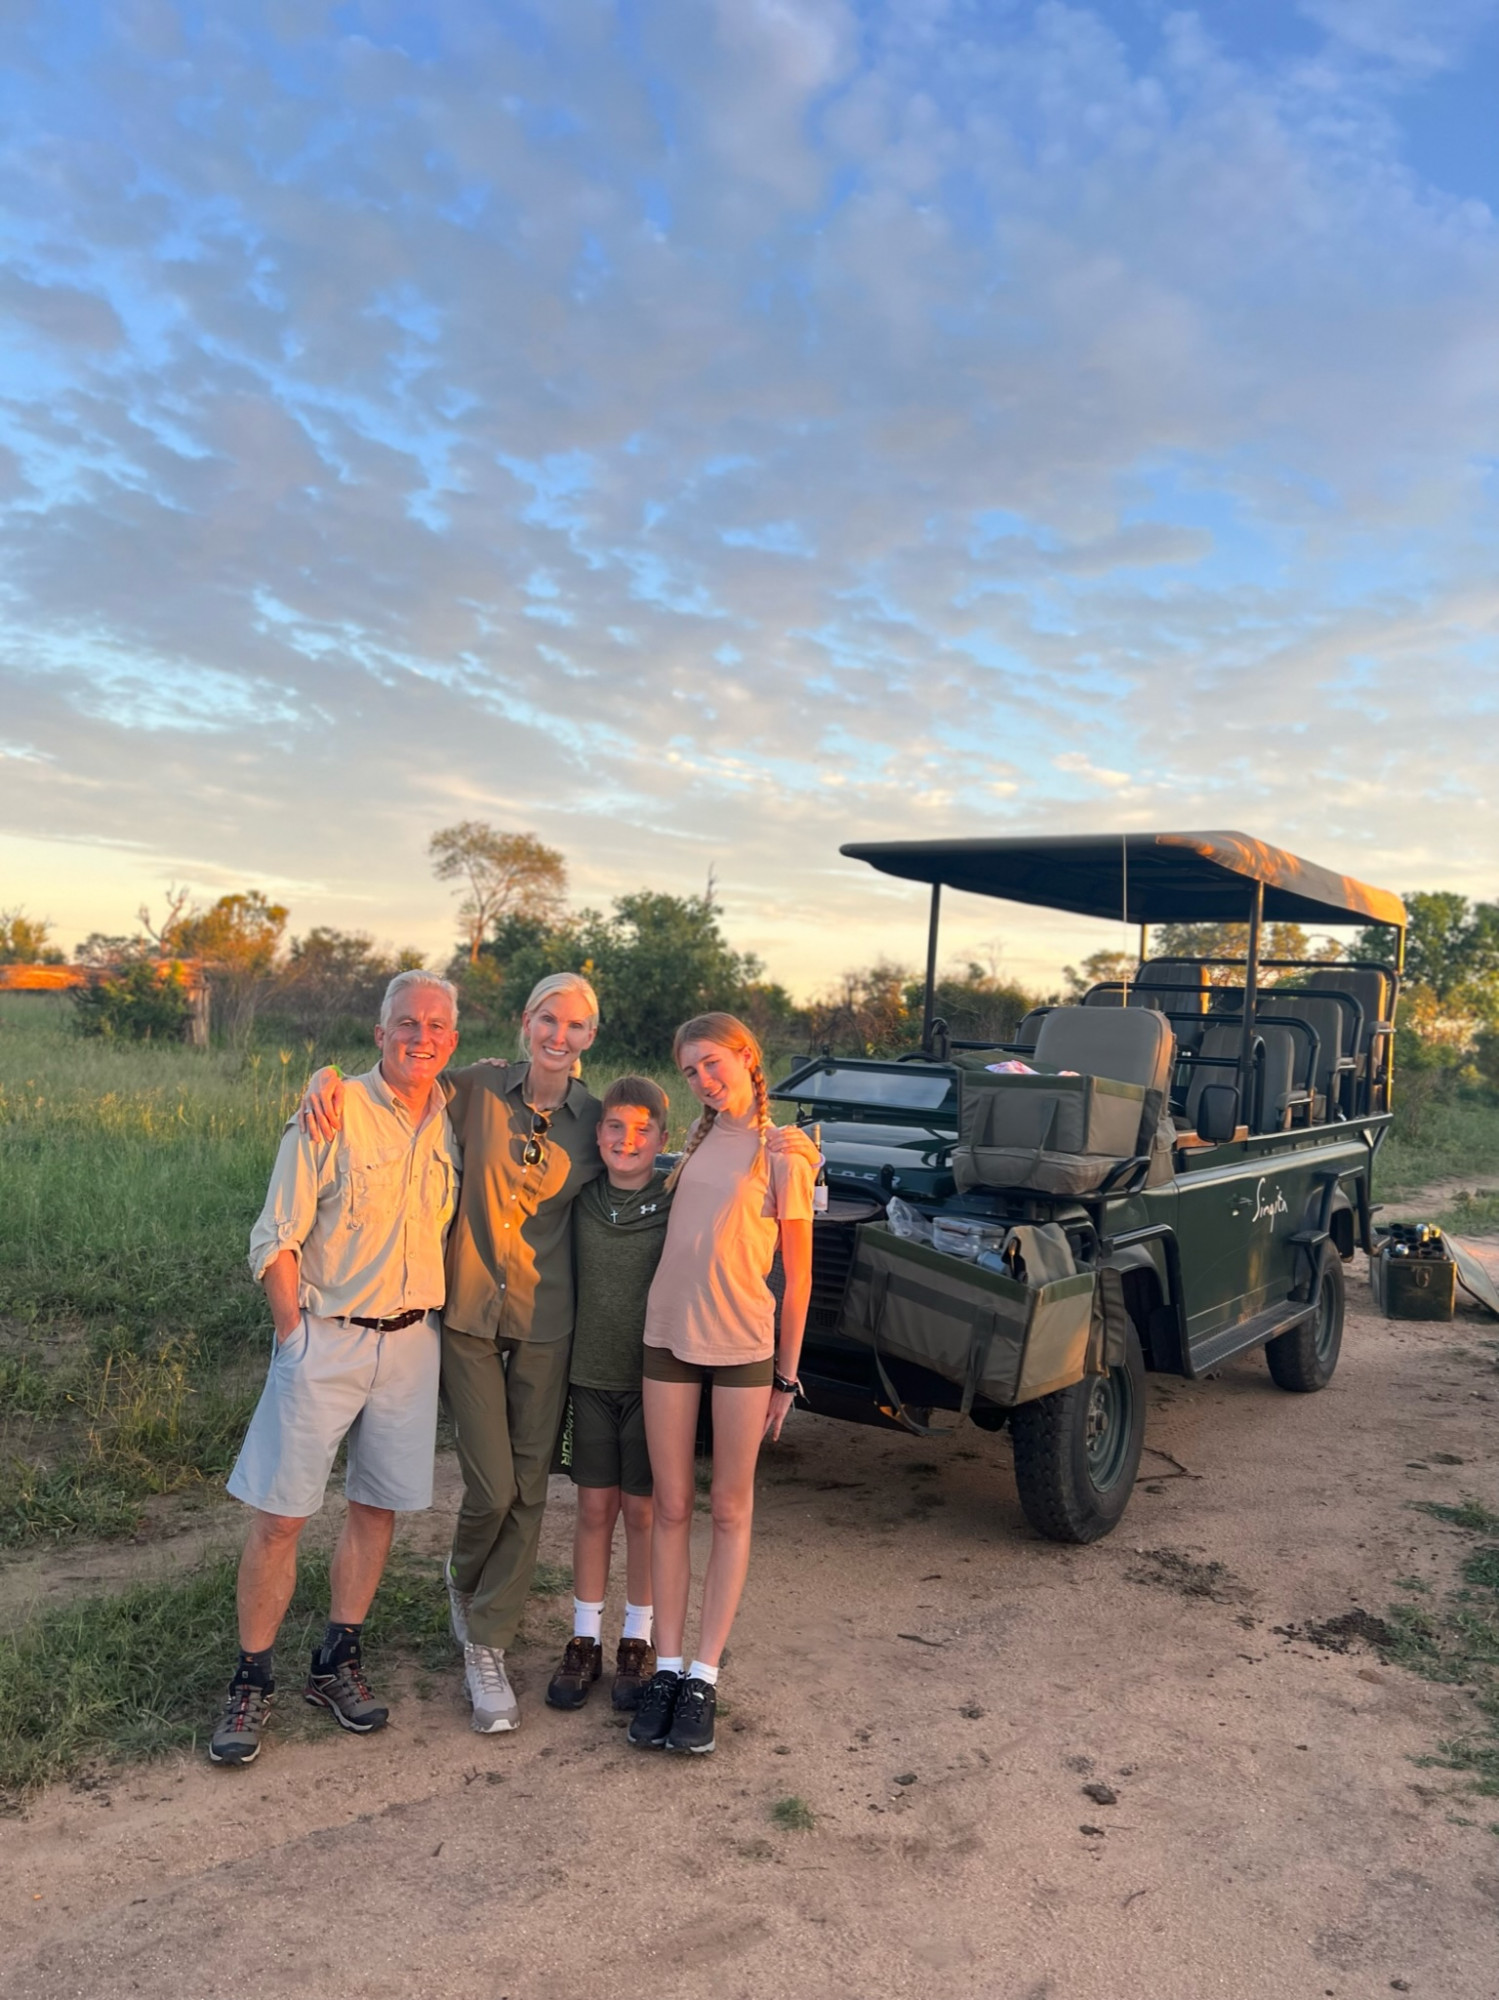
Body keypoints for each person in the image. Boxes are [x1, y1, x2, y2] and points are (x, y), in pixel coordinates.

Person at [210, 972, 461, 1767]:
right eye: (407, 1023)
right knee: (281, 1516)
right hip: (326, 1337)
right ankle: (251, 1679)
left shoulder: (455, 1119)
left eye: (437, 1026)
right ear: (380, 1032)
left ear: (453, 1040)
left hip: (413, 1342)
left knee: (375, 1506)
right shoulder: (332, 1108)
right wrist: (294, 1336)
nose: (422, 1037)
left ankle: (335, 1662)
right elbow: (274, 1236)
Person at [627, 1013, 814, 1757]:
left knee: (730, 1509)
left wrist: (786, 1379)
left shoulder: (783, 1151)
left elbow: (798, 1278)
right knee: (670, 1506)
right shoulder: (697, 1142)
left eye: (711, 1063)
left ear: (745, 1056)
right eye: (690, 1071)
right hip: (666, 1336)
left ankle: (704, 1675)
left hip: (742, 1346)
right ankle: (666, 1667)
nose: (703, 1080)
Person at [544, 1075, 671, 1714]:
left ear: (663, 1140)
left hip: (653, 1385)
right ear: (598, 1135)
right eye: (616, 1127)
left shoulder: (675, 1196)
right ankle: (585, 1639)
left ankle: (637, 1640)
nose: (627, 1140)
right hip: (589, 1378)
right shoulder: (581, 1195)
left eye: (642, 1130)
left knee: (642, 1513)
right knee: (594, 1509)